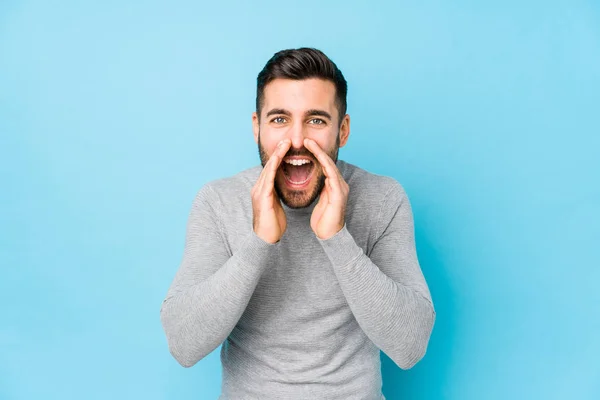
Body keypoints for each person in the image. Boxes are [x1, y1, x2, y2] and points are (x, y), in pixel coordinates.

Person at [160, 47, 436, 400]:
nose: (295, 140)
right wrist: (258, 243)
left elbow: (410, 346)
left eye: (316, 120)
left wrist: (337, 238)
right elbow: (184, 345)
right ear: (257, 126)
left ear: (343, 130)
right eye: (279, 119)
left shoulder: (383, 198)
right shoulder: (218, 201)